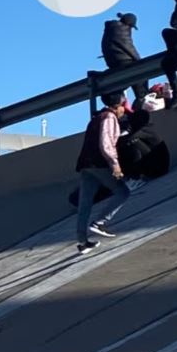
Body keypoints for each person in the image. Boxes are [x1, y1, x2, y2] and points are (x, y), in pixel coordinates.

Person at [75, 93, 131, 255]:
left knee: (85, 202)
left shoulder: (97, 117)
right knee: (123, 192)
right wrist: (115, 165)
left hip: (85, 164)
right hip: (99, 163)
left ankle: (82, 241)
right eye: (123, 106)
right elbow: (106, 144)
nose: (124, 110)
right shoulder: (109, 118)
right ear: (117, 106)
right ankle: (99, 222)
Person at [100, 12, 147, 102]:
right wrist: (140, 61)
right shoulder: (121, 30)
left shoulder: (111, 28)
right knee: (141, 73)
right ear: (129, 25)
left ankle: (117, 100)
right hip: (123, 61)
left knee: (120, 83)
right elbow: (129, 47)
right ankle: (141, 98)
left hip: (112, 62)